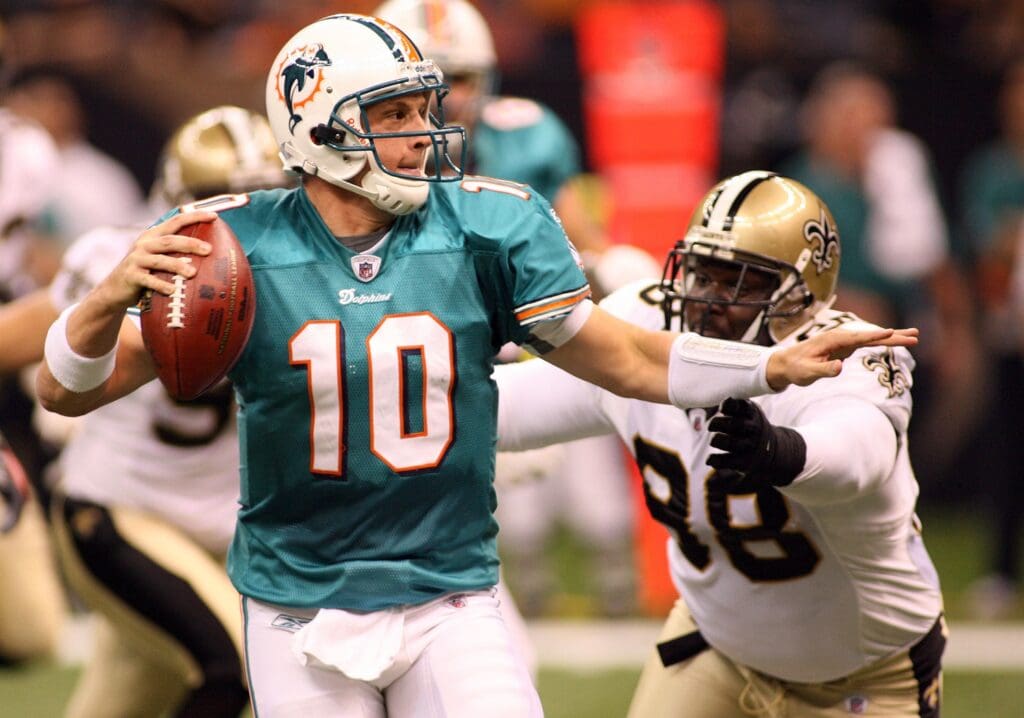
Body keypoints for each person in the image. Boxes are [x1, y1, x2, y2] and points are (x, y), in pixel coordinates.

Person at [36, 16, 916, 718]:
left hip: (447, 591)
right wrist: (103, 303)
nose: (426, 132)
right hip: (296, 598)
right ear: (320, 124)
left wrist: (766, 370)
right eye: (395, 115)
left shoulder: (494, 225)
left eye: (424, 109)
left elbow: (632, 362)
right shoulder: (234, 250)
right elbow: (66, 393)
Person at [495, 171, 945, 717]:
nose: (709, 300)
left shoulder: (845, 353)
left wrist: (779, 451)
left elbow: (858, 459)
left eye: (740, 282)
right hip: (716, 645)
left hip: (865, 671)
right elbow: (509, 407)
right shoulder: (645, 325)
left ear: (803, 295)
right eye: (701, 274)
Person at [0, 105, 289, 717]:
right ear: (178, 202)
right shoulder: (127, 262)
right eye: (222, 200)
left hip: (224, 535)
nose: (244, 219)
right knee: (236, 668)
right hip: (121, 517)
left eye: (264, 197)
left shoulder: (309, 273)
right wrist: (90, 341)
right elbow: (19, 340)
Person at [375, 0, 655, 619]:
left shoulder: (527, 136)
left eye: (462, 79)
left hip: (518, 332)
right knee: (505, 509)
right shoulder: (356, 164)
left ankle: (610, 575)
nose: (446, 100)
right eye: (428, 83)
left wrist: (608, 272)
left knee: (587, 459)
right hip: (414, 351)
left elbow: (579, 242)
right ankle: (511, 582)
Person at [958, 57, 1024, 620]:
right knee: (1007, 455)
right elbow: (992, 251)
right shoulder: (994, 169)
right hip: (1012, 331)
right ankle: (1002, 570)